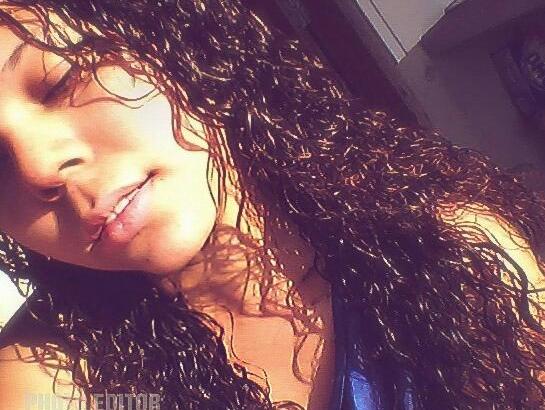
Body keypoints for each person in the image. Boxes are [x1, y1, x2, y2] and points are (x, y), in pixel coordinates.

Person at [0, 1, 545, 409]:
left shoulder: (443, 243)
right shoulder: (61, 383)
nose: (38, 169)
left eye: (58, 80)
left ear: (160, 39)